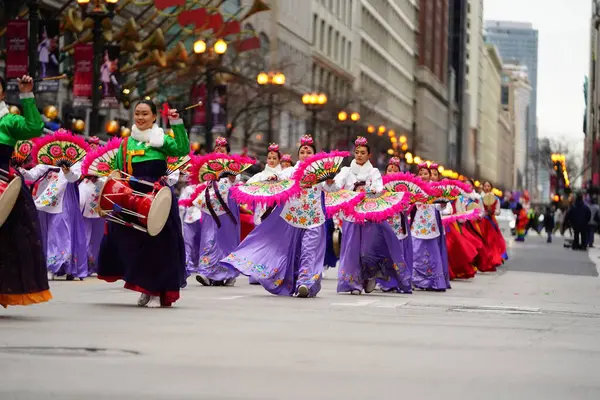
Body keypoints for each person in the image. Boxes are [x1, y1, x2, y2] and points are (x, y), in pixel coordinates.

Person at [97, 100, 188, 307]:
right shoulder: (125, 143)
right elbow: (118, 173)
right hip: (132, 198)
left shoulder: (162, 140)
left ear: (154, 117)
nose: (140, 118)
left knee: (160, 246)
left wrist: (177, 123)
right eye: (137, 113)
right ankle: (144, 286)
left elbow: (182, 149)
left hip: (158, 200)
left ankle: (156, 290)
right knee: (131, 242)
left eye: (145, 114)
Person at [220, 135, 331, 298]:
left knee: (309, 250)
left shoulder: (321, 172)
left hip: (314, 219)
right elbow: (279, 179)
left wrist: (329, 181)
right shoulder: (291, 171)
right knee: (294, 253)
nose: (306, 154)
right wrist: (273, 178)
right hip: (293, 219)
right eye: (303, 151)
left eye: (309, 151)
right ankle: (294, 281)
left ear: (315, 154)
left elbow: (332, 189)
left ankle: (305, 283)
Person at [333, 137, 411, 294]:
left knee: (368, 251)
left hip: (369, 217)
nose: (359, 155)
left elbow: (378, 187)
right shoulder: (346, 171)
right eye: (357, 152)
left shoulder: (374, 172)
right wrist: (330, 182)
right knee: (351, 251)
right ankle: (352, 283)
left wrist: (374, 191)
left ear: (369, 155)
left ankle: (369, 276)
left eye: (363, 153)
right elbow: (335, 186)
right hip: (351, 217)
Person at [0, 74, 52, 308]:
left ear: (2, 93)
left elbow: (34, 127)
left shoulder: (8, 121)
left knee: (7, 244)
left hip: (4, 188)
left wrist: (27, 95)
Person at [21, 158, 88, 281]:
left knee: (61, 232)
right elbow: (31, 175)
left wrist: (67, 171)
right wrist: (19, 169)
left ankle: (63, 266)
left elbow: (74, 178)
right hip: (44, 200)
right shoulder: (47, 159)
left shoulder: (76, 161)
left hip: (64, 199)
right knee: (46, 232)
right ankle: (49, 265)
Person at [194, 137, 241, 287]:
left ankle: (229, 273)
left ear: (228, 152)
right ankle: (207, 272)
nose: (219, 151)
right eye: (216, 148)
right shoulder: (207, 167)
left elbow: (236, 180)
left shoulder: (233, 168)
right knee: (209, 238)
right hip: (210, 207)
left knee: (226, 240)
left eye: (222, 149)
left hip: (228, 207)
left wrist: (231, 176)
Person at [411, 163, 450, 291]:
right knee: (416, 253)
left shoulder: (435, 189)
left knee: (432, 255)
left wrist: (443, 204)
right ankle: (417, 281)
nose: (423, 176)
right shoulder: (413, 189)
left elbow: (438, 207)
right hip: (417, 224)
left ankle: (434, 282)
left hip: (431, 225)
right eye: (420, 174)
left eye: (426, 174)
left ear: (430, 176)